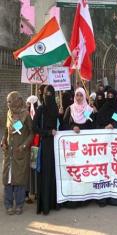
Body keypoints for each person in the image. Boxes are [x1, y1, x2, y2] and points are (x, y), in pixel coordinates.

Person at [61, 88, 94, 209]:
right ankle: (72, 198)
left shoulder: (88, 110)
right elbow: (64, 125)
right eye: (77, 95)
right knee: (74, 172)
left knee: (84, 170)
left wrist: (93, 114)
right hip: (73, 148)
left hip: (85, 148)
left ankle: (84, 198)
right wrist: (73, 127)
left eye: (81, 95)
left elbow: (91, 124)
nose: (79, 97)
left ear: (84, 96)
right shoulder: (70, 109)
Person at [1, 92, 34, 215]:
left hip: (21, 152)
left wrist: (24, 145)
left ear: (17, 101)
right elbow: (6, 131)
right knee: (7, 179)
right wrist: (3, 142)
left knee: (19, 179)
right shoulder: (9, 113)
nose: (8, 104)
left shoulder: (26, 115)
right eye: (7, 101)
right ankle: (8, 204)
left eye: (10, 101)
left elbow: (32, 133)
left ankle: (19, 205)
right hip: (9, 152)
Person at [95, 88, 117, 207]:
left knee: (115, 170)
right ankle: (103, 197)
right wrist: (104, 128)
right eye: (107, 96)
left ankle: (115, 196)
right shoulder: (103, 109)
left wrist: (113, 125)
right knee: (104, 171)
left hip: (116, 147)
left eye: (111, 96)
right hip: (103, 147)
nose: (109, 98)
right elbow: (97, 123)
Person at [33, 85, 60, 215]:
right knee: (45, 174)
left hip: (56, 146)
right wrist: (48, 132)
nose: (47, 95)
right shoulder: (40, 109)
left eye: (50, 93)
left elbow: (63, 125)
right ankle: (45, 206)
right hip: (45, 145)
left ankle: (54, 203)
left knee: (54, 173)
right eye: (45, 93)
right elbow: (34, 127)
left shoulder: (57, 109)